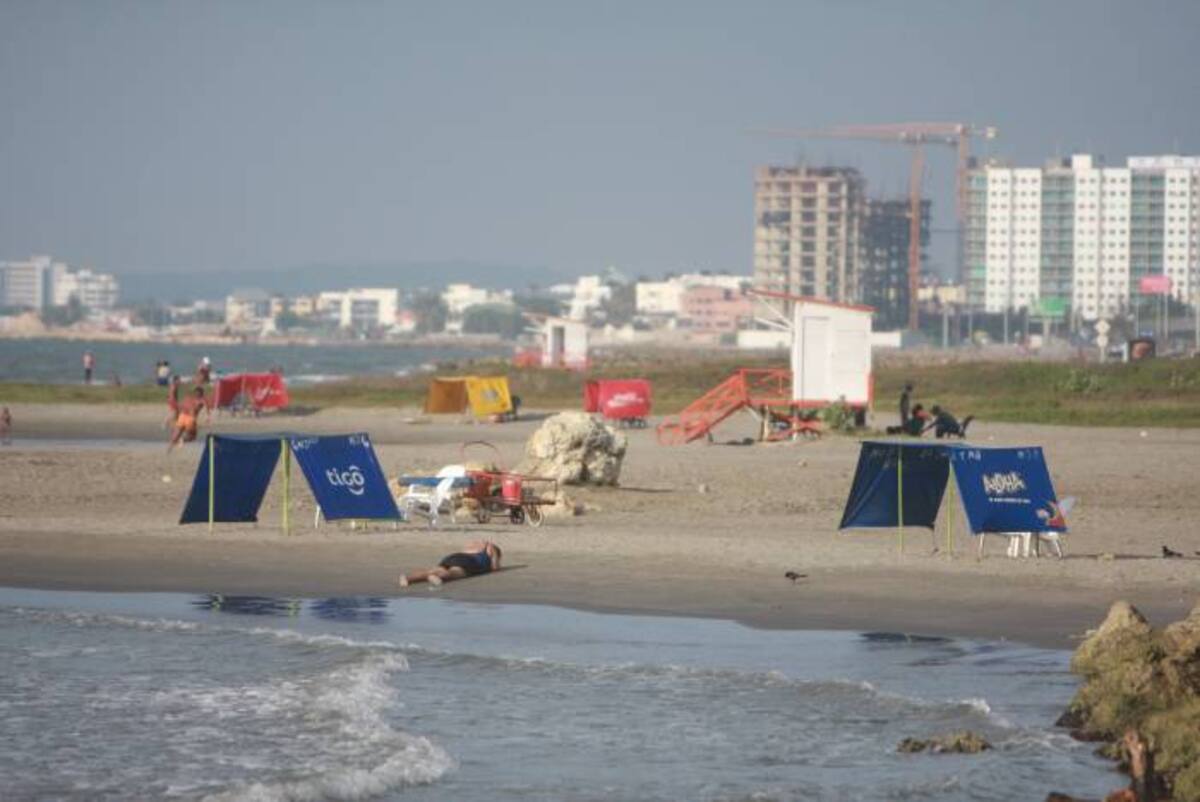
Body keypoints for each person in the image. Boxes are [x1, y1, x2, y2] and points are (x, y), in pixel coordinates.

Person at [398, 540, 502, 588]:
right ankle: (435, 576)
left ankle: (408, 577)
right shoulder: (491, 547)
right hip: (469, 562)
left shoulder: (475, 544)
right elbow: (494, 567)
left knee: (432, 570)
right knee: (452, 573)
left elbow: (464, 552)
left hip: (453, 557)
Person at [168, 386, 209, 452]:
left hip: (182, 416)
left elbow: (180, 407)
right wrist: (207, 417)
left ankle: (169, 449)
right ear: (202, 393)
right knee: (192, 436)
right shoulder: (202, 400)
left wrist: (177, 416)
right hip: (191, 419)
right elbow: (207, 409)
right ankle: (182, 440)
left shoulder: (188, 398)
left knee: (176, 434)